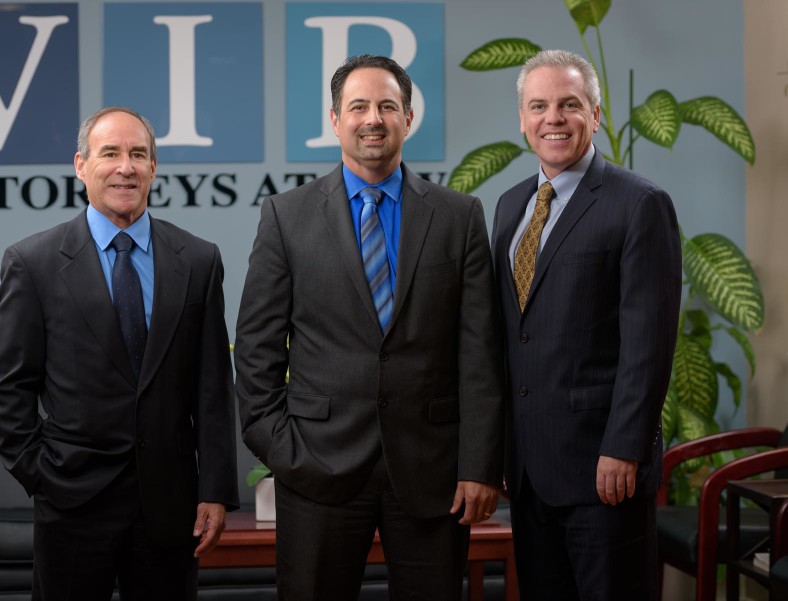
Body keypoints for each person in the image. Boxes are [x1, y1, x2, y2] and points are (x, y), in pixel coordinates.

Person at [234, 54, 505, 601]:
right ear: (335, 120)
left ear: (408, 117)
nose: (373, 118)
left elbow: (480, 354)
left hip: (433, 474)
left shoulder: (459, 216)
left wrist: (479, 465)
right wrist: (285, 452)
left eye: (387, 106)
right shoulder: (286, 217)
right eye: (358, 106)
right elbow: (256, 352)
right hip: (317, 472)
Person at [0, 106, 239, 601]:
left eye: (138, 155)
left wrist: (214, 489)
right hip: (72, 505)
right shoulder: (32, 263)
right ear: (81, 166)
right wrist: (43, 477)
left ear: (153, 169)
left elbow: (211, 387)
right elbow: (9, 390)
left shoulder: (199, 260)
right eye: (111, 154)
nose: (126, 167)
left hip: (170, 507)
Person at [492, 49, 681, 600]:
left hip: (603, 470)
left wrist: (624, 447)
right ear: (524, 120)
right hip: (529, 473)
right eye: (539, 106)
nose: (553, 118)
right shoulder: (510, 206)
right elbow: (511, 336)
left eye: (569, 104)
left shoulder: (639, 203)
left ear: (595, 115)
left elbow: (648, 344)